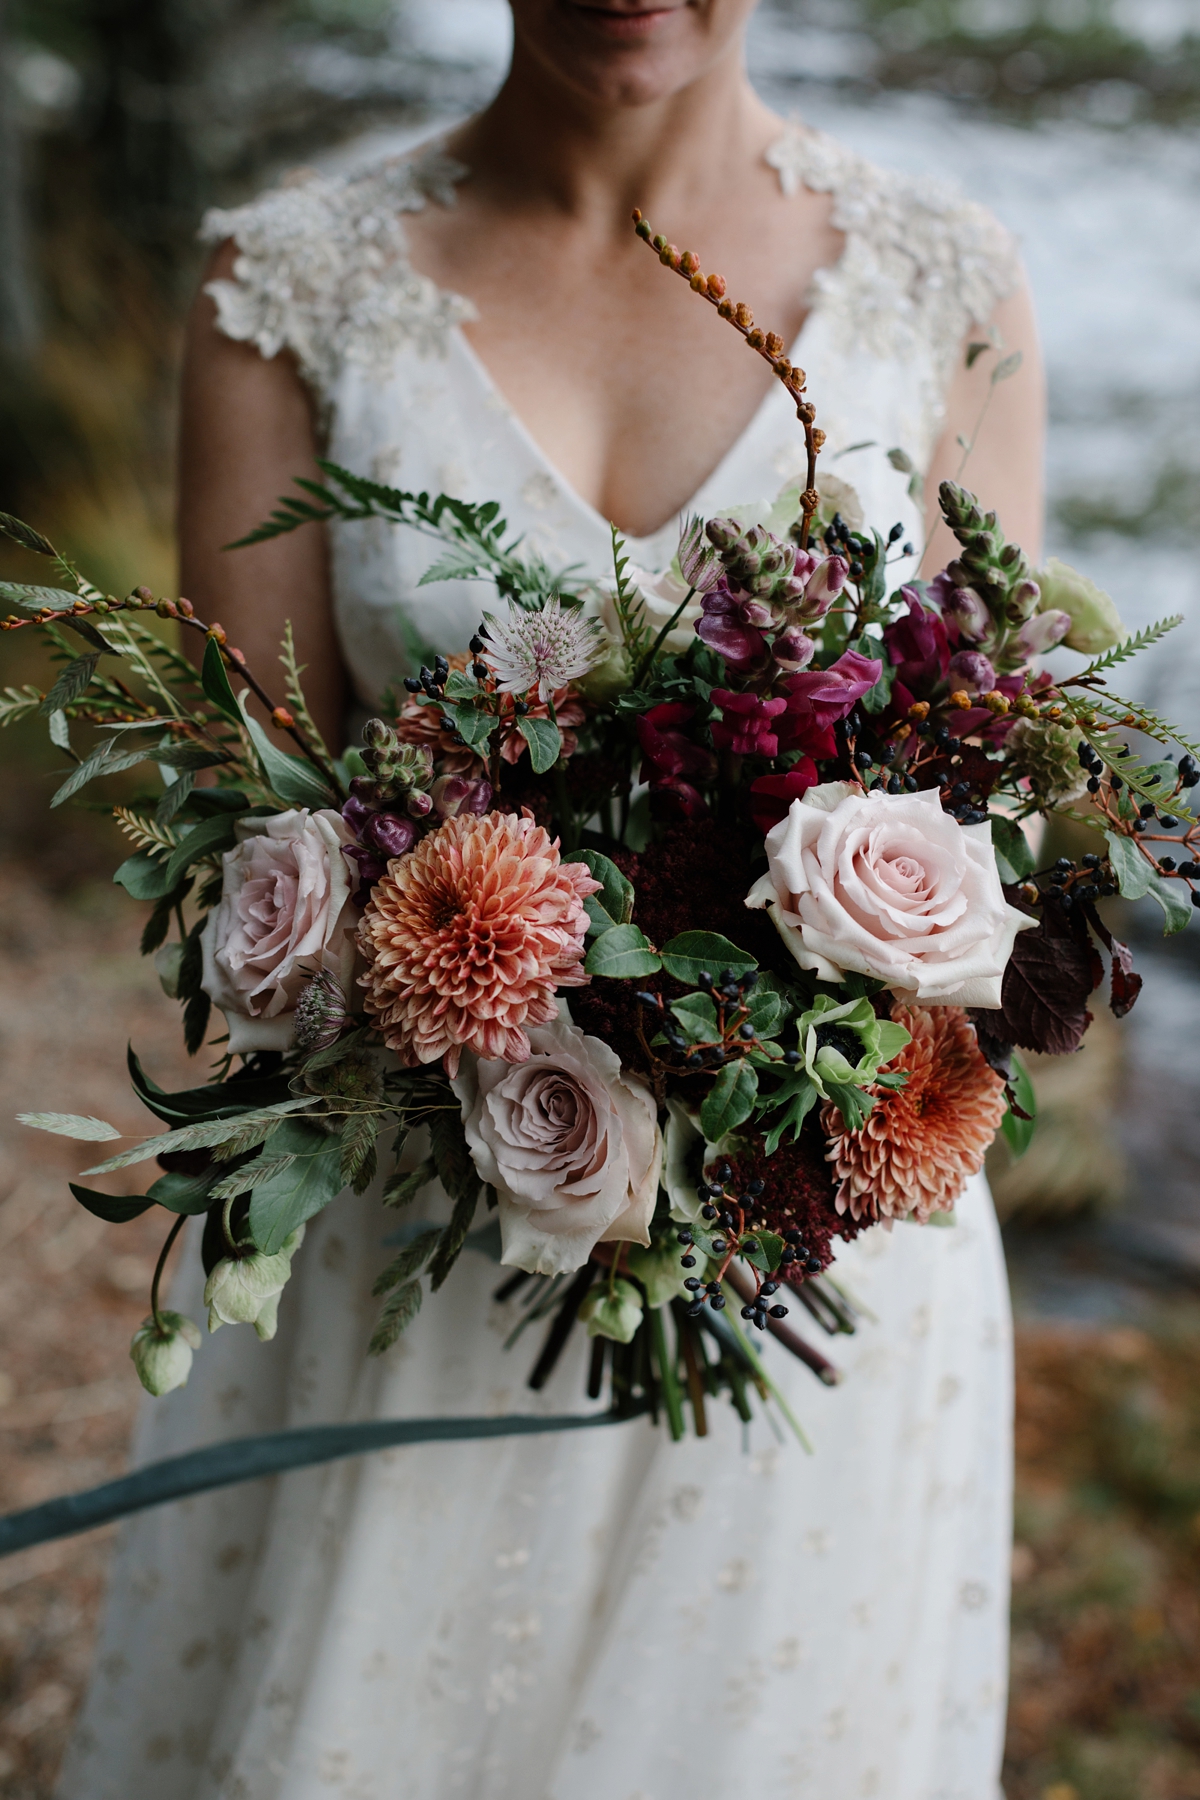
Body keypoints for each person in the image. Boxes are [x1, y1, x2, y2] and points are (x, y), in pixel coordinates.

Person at [58, 2, 1044, 1796]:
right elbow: (254, 849)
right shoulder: (291, 290)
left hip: (811, 1260)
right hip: (423, 1236)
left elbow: (998, 799)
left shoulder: (941, 282)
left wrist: (766, 1030)